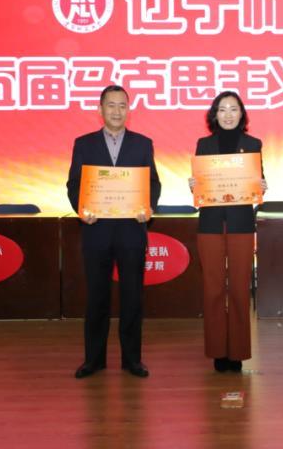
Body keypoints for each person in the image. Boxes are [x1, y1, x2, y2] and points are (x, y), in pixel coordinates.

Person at [66, 85, 161, 379]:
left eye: (122, 105)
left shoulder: (143, 144)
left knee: (132, 298)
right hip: (97, 231)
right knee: (97, 298)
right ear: (100, 109)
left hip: (132, 232)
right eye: (111, 105)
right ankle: (93, 360)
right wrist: (82, 209)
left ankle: (132, 360)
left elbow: (153, 183)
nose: (117, 111)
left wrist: (148, 207)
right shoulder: (84, 144)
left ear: (128, 110)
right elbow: (74, 184)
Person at [188, 91, 266, 373]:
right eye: (223, 109)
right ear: (215, 114)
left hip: (241, 224)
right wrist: (194, 185)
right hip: (210, 224)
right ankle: (217, 352)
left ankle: (238, 352)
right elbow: (201, 185)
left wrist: (262, 185)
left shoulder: (253, 144)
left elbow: (257, 182)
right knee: (213, 289)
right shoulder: (204, 144)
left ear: (241, 114)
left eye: (234, 109)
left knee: (240, 289)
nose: (228, 114)